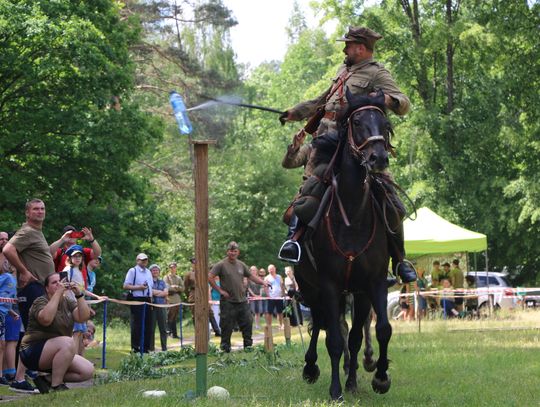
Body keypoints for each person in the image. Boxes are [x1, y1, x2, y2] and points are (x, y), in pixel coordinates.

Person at [278, 26, 416, 285]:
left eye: (349, 45)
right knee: (306, 193)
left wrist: (383, 98)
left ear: (361, 48)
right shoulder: (343, 72)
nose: (345, 49)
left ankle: (399, 260)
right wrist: (295, 112)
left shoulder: (377, 73)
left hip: (361, 144)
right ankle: (293, 243)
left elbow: (404, 103)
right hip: (327, 143)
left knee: (393, 202)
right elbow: (321, 102)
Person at [2, 199, 53, 393]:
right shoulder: (27, 231)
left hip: (39, 287)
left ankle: (36, 376)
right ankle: (19, 378)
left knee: (38, 333)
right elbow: (8, 249)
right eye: (36, 209)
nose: (40, 212)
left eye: (42, 208)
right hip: (32, 288)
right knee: (34, 333)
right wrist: (23, 271)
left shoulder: (36, 232)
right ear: (27, 213)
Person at [19, 272, 94, 393]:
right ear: (47, 288)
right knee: (68, 342)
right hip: (31, 352)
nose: (59, 284)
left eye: (61, 282)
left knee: (87, 370)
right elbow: (46, 319)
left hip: (58, 351)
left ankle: (46, 380)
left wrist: (79, 295)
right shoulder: (40, 301)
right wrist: (59, 293)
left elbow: (83, 317)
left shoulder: (67, 301)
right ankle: (57, 386)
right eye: (55, 283)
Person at [209, 242, 269, 352]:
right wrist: (220, 290)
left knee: (247, 322)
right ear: (227, 252)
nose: (232, 253)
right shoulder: (221, 264)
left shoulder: (241, 265)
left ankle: (248, 347)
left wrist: (262, 282)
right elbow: (210, 276)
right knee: (227, 326)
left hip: (242, 301)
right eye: (230, 251)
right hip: (228, 301)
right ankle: (225, 349)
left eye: (235, 251)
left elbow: (251, 276)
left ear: (238, 252)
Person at [123, 253, 153, 353]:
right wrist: (139, 287)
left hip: (147, 299)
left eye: (146, 260)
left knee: (148, 323)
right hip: (137, 298)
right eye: (142, 260)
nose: (144, 262)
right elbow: (126, 286)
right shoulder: (133, 271)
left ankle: (145, 347)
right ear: (137, 260)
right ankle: (135, 347)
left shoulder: (148, 272)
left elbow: (150, 287)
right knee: (137, 324)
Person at [184, 259, 221, 337]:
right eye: (194, 263)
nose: (195, 265)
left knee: (210, 312)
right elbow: (186, 287)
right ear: (192, 265)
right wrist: (190, 296)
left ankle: (217, 331)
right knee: (195, 314)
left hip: (203, 294)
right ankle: (198, 332)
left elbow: (208, 285)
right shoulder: (189, 274)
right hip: (193, 295)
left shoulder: (204, 273)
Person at [149, 264, 168, 352]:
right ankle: (151, 348)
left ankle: (164, 348)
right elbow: (150, 292)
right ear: (150, 272)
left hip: (162, 307)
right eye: (153, 270)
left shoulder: (162, 282)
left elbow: (166, 293)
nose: (155, 272)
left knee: (163, 328)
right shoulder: (148, 282)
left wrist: (156, 293)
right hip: (152, 307)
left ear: (159, 272)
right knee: (151, 329)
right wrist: (160, 292)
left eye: (157, 270)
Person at [163, 261, 184, 338]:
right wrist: (175, 288)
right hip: (170, 299)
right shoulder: (166, 277)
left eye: (174, 267)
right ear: (169, 268)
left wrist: (176, 287)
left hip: (177, 299)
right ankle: (168, 333)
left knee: (174, 317)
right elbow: (167, 287)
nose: (173, 269)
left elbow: (183, 288)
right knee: (169, 317)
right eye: (171, 267)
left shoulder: (178, 278)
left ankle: (174, 334)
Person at [264, 264, 285, 329]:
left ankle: (281, 325)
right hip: (271, 297)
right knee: (269, 312)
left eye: (272, 268)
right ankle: (269, 325)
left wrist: (283, 294)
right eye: (270, 269)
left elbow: (282, 285)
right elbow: (265, 287)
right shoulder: (267, 278)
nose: (271, 270)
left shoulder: (279, 276)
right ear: (268, 270)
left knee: (280, 312)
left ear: (275, 269)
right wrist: (268, 295)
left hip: (279, 297)